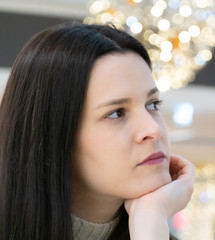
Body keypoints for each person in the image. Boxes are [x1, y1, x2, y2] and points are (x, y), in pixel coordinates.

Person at [0, 23, 195, 240]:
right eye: (116, 113)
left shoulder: (153, 230)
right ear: (54, 134)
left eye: (153, 104)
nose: (154, 129)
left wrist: (151, 219)